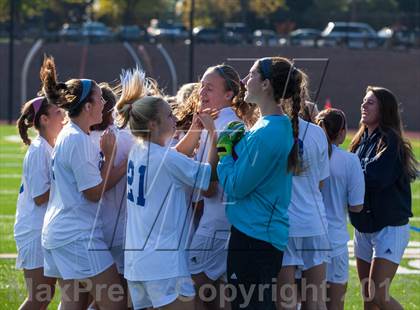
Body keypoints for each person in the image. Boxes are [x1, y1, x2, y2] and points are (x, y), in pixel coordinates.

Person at [116, 68, 219, 310]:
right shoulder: (165, 159)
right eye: (169, 115)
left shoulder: (138, 151)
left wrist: (195, 129)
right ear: (153, 124)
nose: (174, 119)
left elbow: (173, 158)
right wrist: (214, 134)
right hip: (164, 264)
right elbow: (208, 175)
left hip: (137, 263)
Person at [40, 56, 127, 309]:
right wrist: (112, 157)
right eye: (99, 98)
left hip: (63, 233)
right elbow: (93, 193)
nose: (104, 103)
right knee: (116, 303)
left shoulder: (73, 135)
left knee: (73, 305)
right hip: (76, 236)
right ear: (87, 106)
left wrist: (116, 164)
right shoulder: (77, 140)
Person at [217, 57, 300, 309]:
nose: (243, 81)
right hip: (256, 234)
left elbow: (235, 187)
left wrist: (223, 153)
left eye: (251, 75)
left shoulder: (267, 131)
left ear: (265, 85)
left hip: (254, 238)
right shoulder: (268, 125)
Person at [349, 86, 417, 310]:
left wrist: (349, 174)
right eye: (363, 101)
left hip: (388, 228)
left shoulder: (391, 142)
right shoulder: (360, 141)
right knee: (368, 298)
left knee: (378, 295)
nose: (363, 105)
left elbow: (375, 178)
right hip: (363, 227)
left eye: (370, 102)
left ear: (384, 109)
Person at [188, 64, 247, 310]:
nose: (202, 91)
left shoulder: (227, 127)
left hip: (215, 223)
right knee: (221, 295)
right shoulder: (219, 122)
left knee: (191, 286)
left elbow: (209, 186)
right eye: (202, 85)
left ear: (229, 95)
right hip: (223, 222)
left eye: (210, 87)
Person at [276, 62, 330, 310]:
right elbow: (320, 183)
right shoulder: (318, 134)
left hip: (284, 224)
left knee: (286, 302)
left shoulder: (268, 130)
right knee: (316, 302)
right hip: (314, 223)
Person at [14, 95, 64, 309]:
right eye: (58, 113)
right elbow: (39, 196)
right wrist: (67, 180)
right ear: (44, 119)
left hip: (43, 228)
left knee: (49, 294)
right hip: (33, 230)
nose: (63, 117)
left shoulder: (49, 146)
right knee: (40, 296)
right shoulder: (38, 150)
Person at [89, 83, 135, 307]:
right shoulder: (124, 138)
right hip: (119, 231)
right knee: (122, 298)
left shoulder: (74, 138)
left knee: (83, 299)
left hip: (89, 231)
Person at [315, 108, 365, 310]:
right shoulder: (350, 161)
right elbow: (356, 206)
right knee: (334, 305)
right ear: (342, 132)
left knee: (305, 302)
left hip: (306, 238)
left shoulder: (305, 155)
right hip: (334, 241)